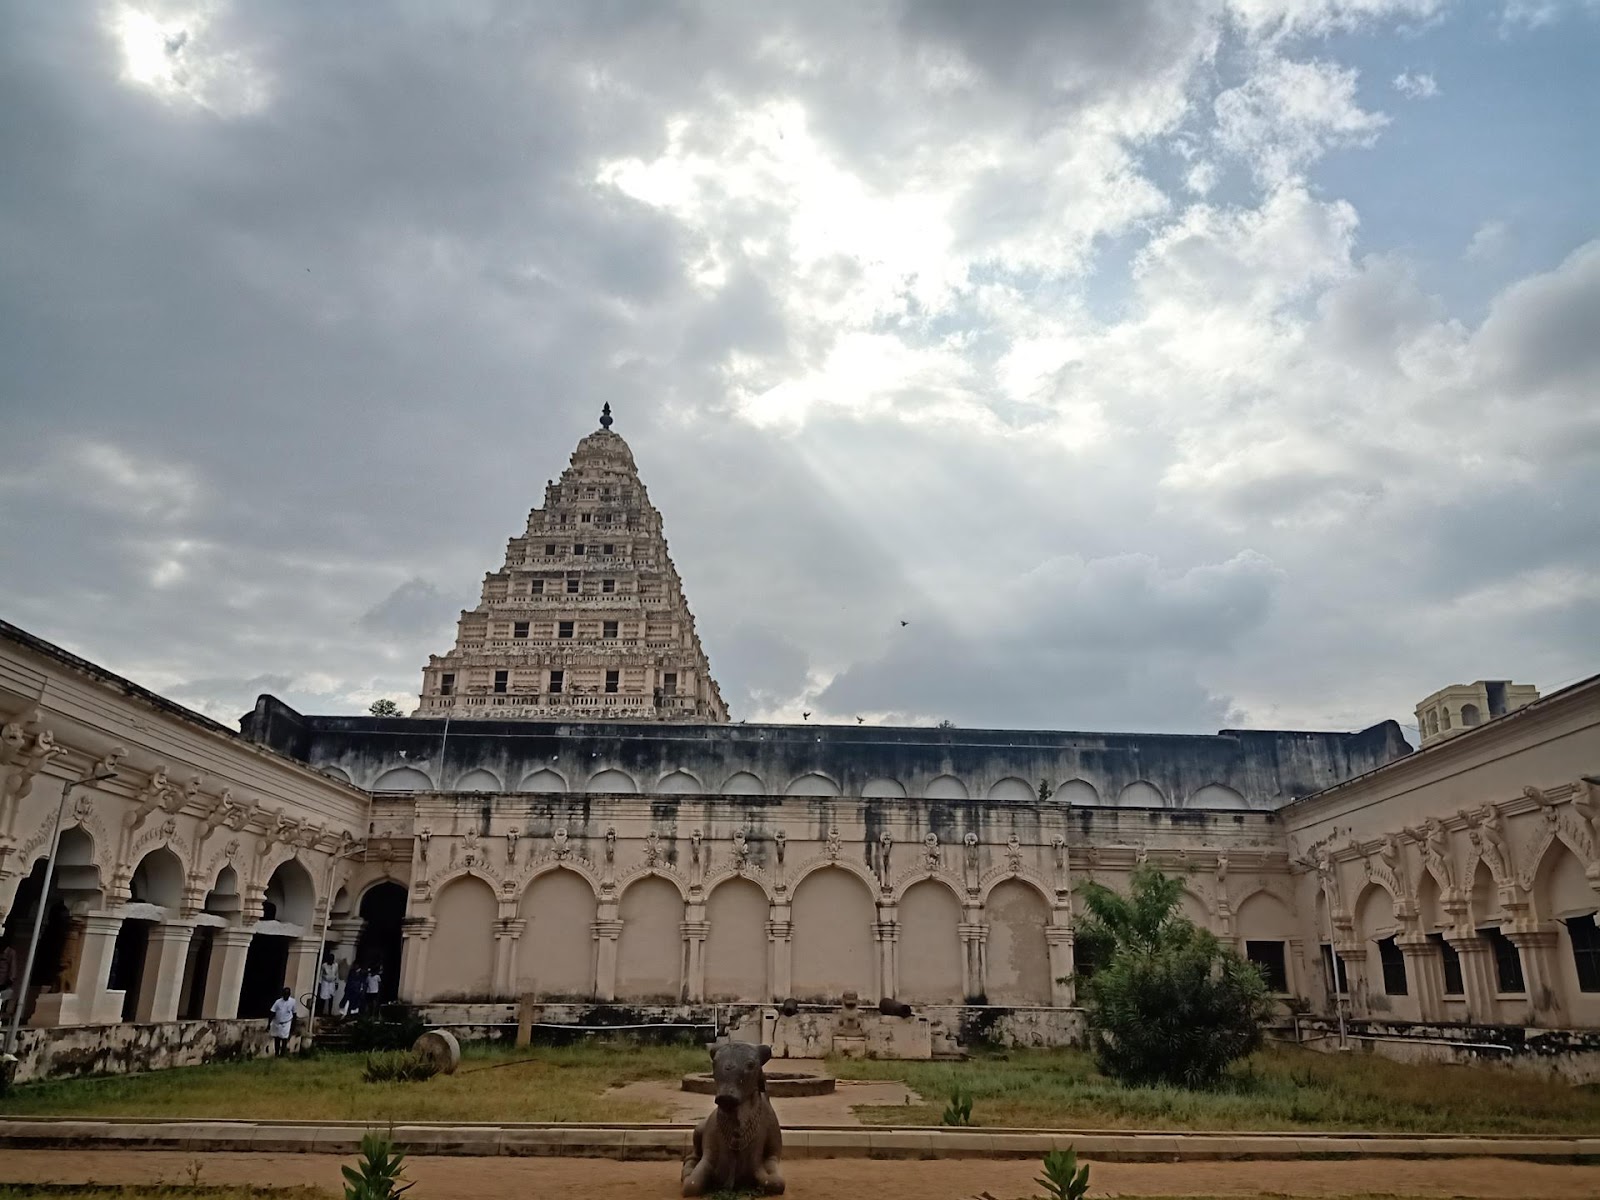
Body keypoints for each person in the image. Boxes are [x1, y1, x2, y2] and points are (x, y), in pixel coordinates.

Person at [268, 987, 298, 1057]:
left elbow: (294, 1014)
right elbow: (272, 1012)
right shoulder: (278, 1002)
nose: (286, 996)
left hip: (286, 1022)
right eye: (285, 994)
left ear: (289, 994)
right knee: (277, 1038)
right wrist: (269, 1023)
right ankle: (276, 1053)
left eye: (287, 994)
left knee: (284, 1038)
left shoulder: (293, 1002)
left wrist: (293, 1025)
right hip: (277, 1022)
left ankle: (282, 1054)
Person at [316, 950, 338, 1017]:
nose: (331, 960)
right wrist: (319, 983)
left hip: (332, 983)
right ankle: (321, 1012)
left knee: (331, 997)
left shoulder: (336, 965)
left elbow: (337, 974)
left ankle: (329, 1012)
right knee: (323, 997)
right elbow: (320, 974)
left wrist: (336, 983)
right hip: (325, 983)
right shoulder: (324, 965)